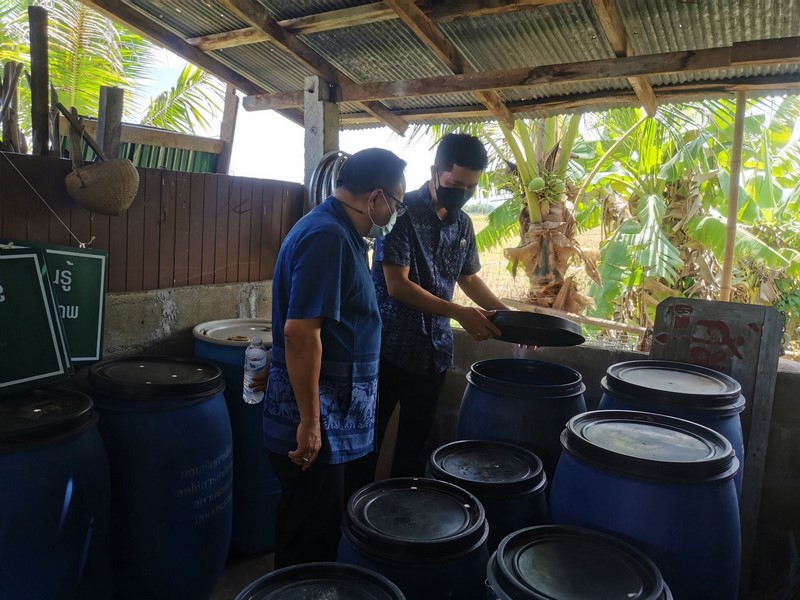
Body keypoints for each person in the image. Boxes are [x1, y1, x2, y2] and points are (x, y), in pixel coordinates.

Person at [261, 147, 407, 568]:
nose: (395, 213)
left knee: (315, 526)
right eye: (395, 203)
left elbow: (303, 316)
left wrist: (274, 361)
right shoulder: (328, 236)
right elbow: (301, 331)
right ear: (375, 198)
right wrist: (309, 424)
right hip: (318, 418)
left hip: (332, 415)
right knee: (310, 541)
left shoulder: (336, 231)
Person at [368, 133, 507, 481]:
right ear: (435, 172)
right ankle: (358, 521)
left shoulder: (463, 224)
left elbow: (469, 279)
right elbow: (397, 285)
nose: (462, 192)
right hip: (389, 348)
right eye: (455, 183)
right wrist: (460, 314)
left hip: (434, 354)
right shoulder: (400, 213)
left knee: (415, 448)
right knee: (368, 442)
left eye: (471, 187)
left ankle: (405, 520)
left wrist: (511, 318)